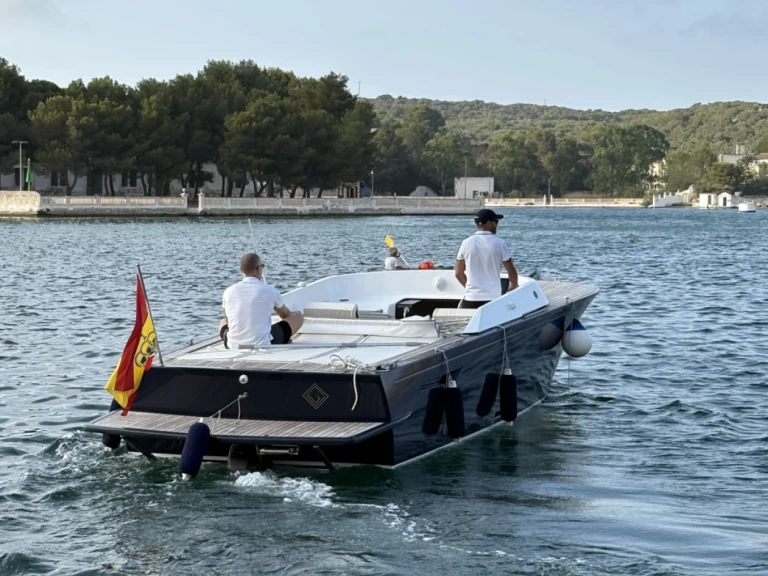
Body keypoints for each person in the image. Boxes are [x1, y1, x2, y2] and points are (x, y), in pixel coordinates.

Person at [219, 253, 304, 348]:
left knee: (222, 322)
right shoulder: (269, 290)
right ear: (259, 269)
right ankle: (284, 338)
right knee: (298, 316)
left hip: (232, 345)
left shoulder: (228, 291)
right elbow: (285, 314)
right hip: (263, 344)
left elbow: (227, 320)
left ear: (241, 270)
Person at [454, 208, 519, 309]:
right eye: (495, 221)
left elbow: (458, 273)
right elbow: (512, 272)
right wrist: (512, 287)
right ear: (488, 223)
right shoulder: (500, 243)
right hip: (493, 300)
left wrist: (470, 290)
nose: (497, 225)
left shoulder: (465, 243)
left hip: (471, 300)